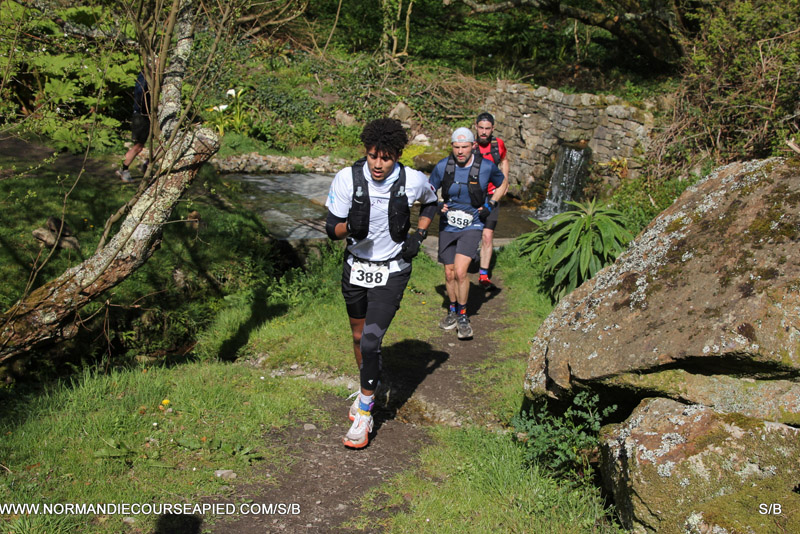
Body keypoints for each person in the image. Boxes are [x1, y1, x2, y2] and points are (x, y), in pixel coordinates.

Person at [325, 118, 438, 449]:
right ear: (366, 151)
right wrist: (351, 227)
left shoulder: (412, 180)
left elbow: (432, 202)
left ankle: (364, 412)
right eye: (372, 156)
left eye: (385, 158)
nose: (377, 164)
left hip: (392, 271)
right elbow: (331, 229)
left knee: (372, 341)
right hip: (355, 268)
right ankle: (367, 386)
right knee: (358, 338)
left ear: (397, 156)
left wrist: (419, 234)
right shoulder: (347, 178)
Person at [429, 127, 505, 340]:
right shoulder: (443, 166)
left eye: (464, 147)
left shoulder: (486, 166)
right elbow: (429, 188)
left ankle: (463, 316)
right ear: (452, 147)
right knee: (449, 273)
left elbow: (503, 184)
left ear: (473, 146)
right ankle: (452, 311)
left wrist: (491, 204)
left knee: (461, 272)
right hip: (448, 225)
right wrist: (438, 203)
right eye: (456, 147)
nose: (460, 151)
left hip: (472, 224)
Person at [473, 112, 509, 287]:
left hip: (492, 195)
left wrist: (505, 180)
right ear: (476, 127)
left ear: (493, 129)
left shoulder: (498, 144)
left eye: (487, 128)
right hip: (472, 195)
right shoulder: (469, 145)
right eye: (481, 128)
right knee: (471, 232)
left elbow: (504, 160)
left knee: (487, 236)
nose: (484, 132)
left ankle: (484, 274)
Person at [116, 71, 150, 183]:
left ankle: (146, 165)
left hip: (145, 115)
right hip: (141, 116)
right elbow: (141, 98)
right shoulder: (144, 80)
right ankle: (124, 169)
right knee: (138, 147)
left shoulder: (146, 78)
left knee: (161, 142)